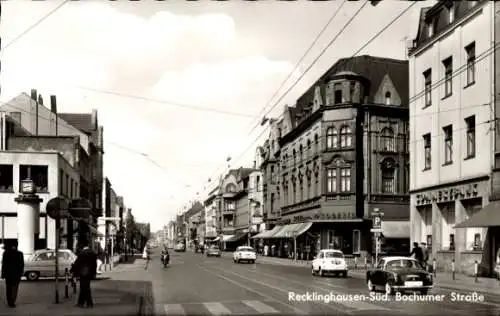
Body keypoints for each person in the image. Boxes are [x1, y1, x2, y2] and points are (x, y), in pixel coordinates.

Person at [72, 241, 97, 308]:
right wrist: (94, 273)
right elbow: (95, 265)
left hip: (83, 273)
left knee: (85, 288)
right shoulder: (93, 253)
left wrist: (74, 271)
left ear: (82, 247)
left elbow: (77, 263)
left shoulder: (81, 253)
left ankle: (89, 303)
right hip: (90, 273)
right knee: (84, 287)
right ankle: (81, 302)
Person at [1, 240, 24, 308]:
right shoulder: (20, 253)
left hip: (8, 274)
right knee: (15, 288)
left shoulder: (6, 253)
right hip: (16, 274)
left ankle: (9, 301)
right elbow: (22, 264)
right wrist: (21, 272)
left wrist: (3, 274)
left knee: (8, 288)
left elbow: (4, 264)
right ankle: (12, 301)